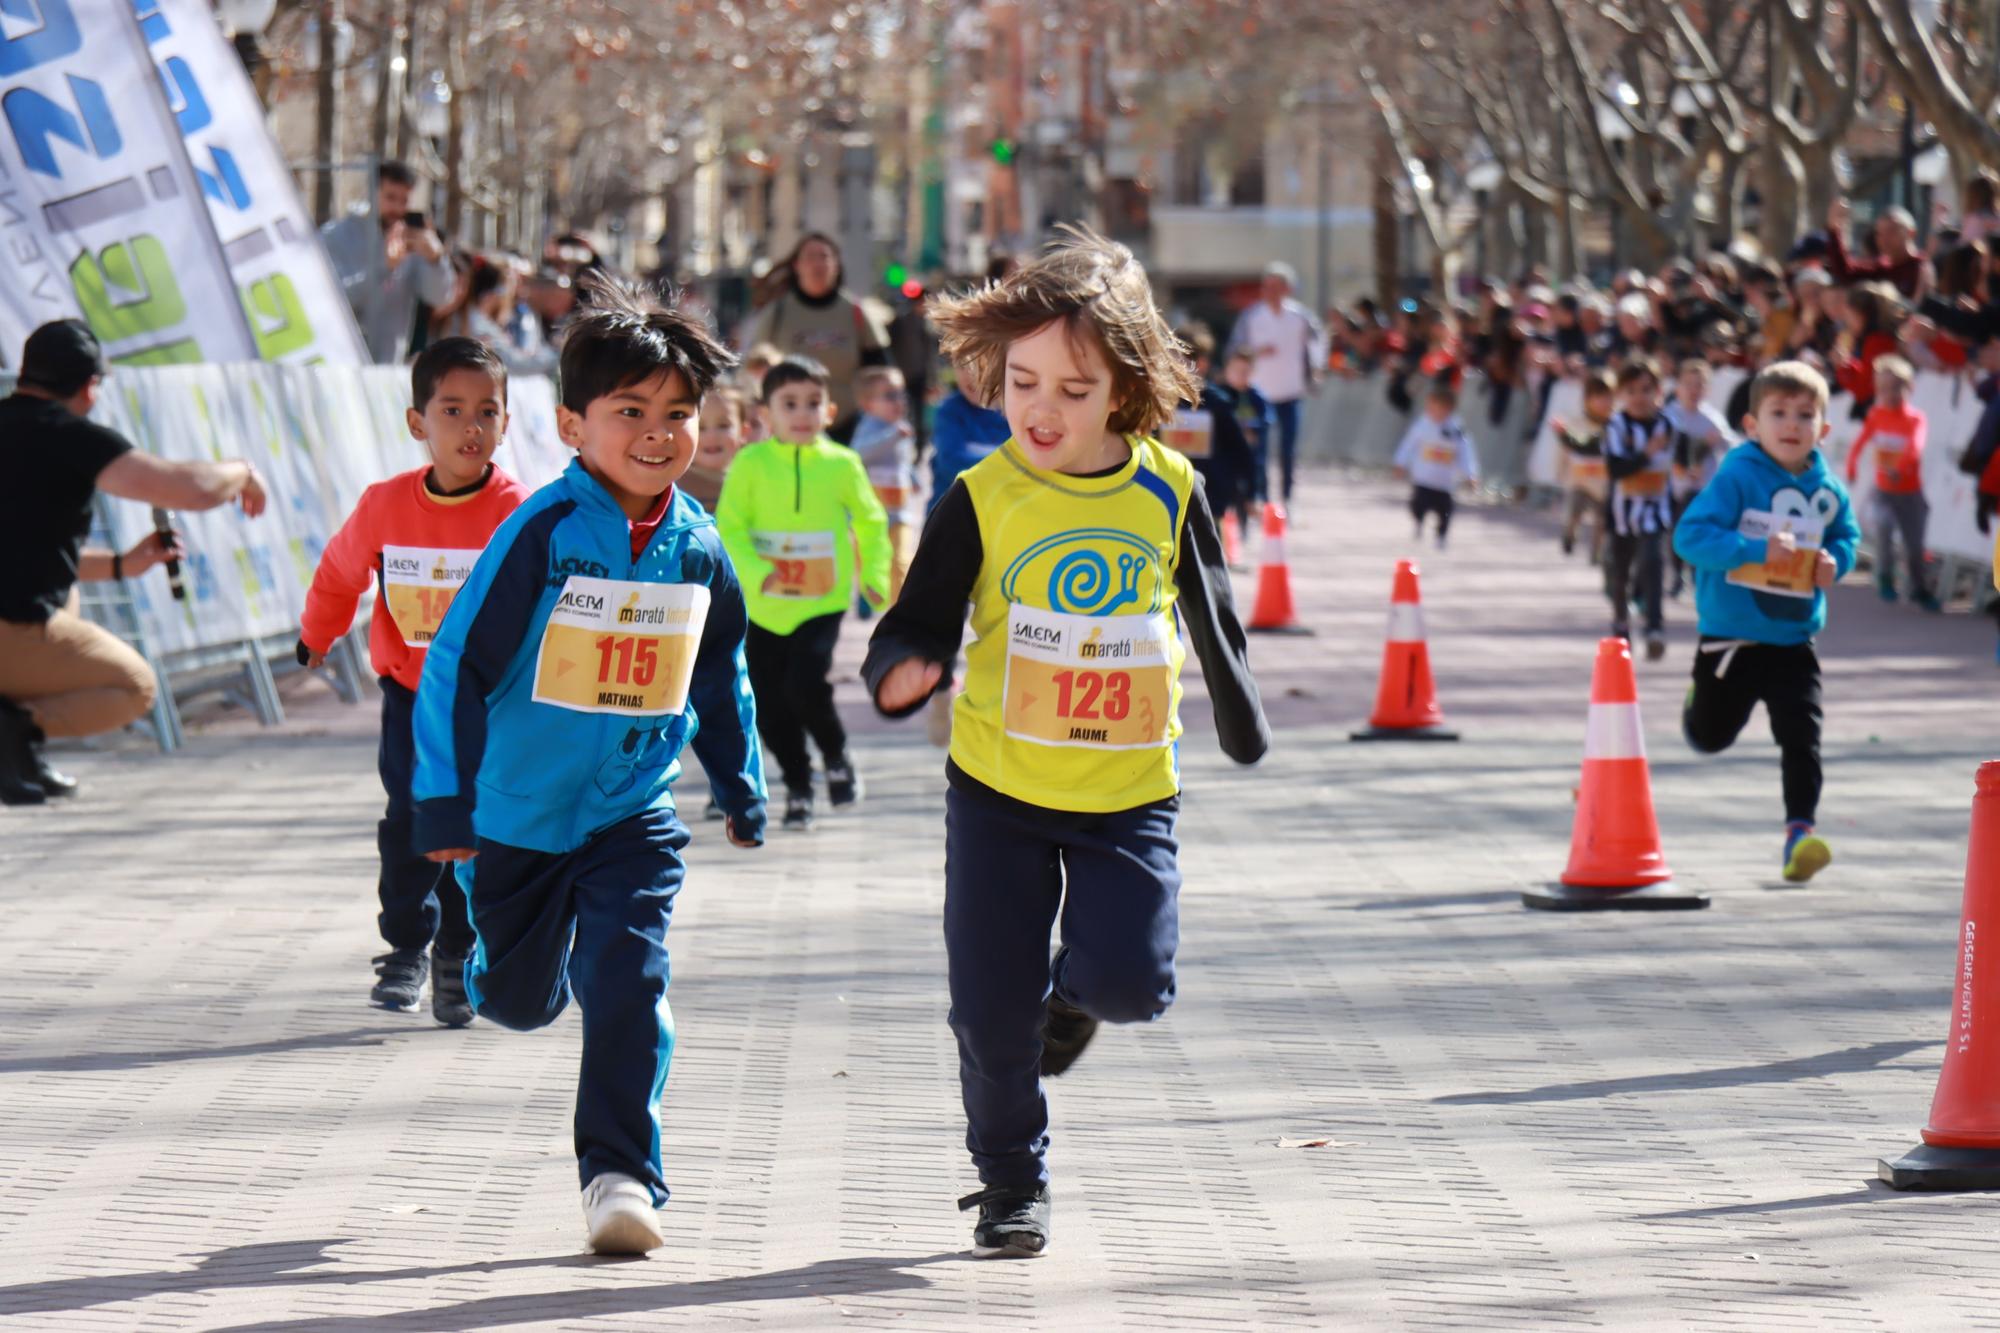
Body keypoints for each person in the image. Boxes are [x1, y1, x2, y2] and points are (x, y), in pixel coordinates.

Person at [861, 227, 1270, 1259]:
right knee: (985, 1010)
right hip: (996, 787)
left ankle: (1072, 998)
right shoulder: (983, 495)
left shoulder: (1166, 490)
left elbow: (1211, 613)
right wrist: (899, 671)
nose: (1040, 409)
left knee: (1132, 980)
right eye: (1021, 381)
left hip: (1128, 791)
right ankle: (1011, 1183)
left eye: (1072, 389)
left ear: (1123, 393)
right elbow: (913, 619)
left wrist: (1239, 713)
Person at [409, 278, 764, 1255]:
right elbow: (455, 666)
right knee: (520, 1002)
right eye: (629, 413)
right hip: (513, 817)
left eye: (677, 415)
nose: (657, 435)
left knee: (627, 975)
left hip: (630, 809)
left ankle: (620, 1175)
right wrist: (442, 802)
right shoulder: (541, 534)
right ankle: (488, 962)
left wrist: (737, 781)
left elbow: (719, 663)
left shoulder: (695, 543)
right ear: (572, 423)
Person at [295, 337, 532, 1024]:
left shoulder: (520, 511)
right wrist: (317, 634)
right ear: (417, 423)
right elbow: (340, 573)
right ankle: (407, 945)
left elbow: (552, 597)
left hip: (491, 702)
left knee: (474, 826)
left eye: (487, 412)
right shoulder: (386, 506)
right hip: (413, 695)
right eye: (452, 410)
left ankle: (458, 952)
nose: (471, 428)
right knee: (410, 819)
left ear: (507, 425)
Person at [0, 320, 267, 804]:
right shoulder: (67, 435)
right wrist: (243, 472)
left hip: (14, 613)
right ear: (89, 386)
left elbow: (30, 555)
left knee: (69, 595)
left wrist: (125, 563)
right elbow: (192, 490)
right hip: (13, 628)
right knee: (134, 688)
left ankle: (19, 754)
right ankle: (13, 734)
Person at [1673, 360, 1859, 884]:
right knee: (1711, 737)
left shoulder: (1828, 489)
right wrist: (1752, 549)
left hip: (1794, 638)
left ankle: (1799, 834)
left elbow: (1846, 536)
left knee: (1803, 737)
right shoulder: (1737, 475)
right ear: (1753, 424)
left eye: (1805, 415)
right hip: (1732, 636)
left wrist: (1835, 563)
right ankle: (1696, 707)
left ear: (1823, 429)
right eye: (1778, 413)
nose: (1792, 425)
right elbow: (1689, 538)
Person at [713, 356, 890, 831]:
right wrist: (754, 572)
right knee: (769, 705)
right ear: (765, 416)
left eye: (813, 403)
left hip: (821, 601)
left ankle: (835, 755)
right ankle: (797, 785)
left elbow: (871, 520)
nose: (802, 414)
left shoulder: (842, 464)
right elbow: (730, 525)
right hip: (765, 606)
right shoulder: (749, 463)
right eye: (789, 404)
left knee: (807, 685)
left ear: (830, 411)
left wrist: (874, 574)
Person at [742, 233, 892, 440]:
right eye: (810, 257)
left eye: (824, 256)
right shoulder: (778, 312)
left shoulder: (855, 311)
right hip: (790, 429)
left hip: (850, 429)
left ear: (836, 265)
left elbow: (882, 371)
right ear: (797, 265)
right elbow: (752, 368)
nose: (818, 264)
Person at [321, 160, 456, 365]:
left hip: (388, 368)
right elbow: (334, 300)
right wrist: (385, 268)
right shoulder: (336, 236)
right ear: (372, 193)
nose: (397, 208)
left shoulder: (411, 241)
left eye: (404, 200)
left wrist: (436, 260)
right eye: (390, 197)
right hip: (340, 363)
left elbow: (441, 298)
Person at [1225, 260, 1325, 503]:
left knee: (1288, 450)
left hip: (1291, 392)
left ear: (1287, 288)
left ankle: (1287, 497)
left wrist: (1316, 372)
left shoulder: (1301, 317)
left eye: (1276, 286)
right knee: (1260, 450)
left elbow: (1317, 345)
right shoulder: (1251, 317)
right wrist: (1256, 353)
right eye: (1266, 286)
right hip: (1260, 393)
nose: (1270, 292)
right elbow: (1235, 350)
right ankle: (1263, 497)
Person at [1843, 355, 1936, 609]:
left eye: (1896, 388)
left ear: (1910, 388)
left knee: (1914, 547)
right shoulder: (1876, 415)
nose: (1890, 394)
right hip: (1883, 491)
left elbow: (1915, 447)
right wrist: (1851, 465)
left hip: (1910, 494)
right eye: (1883, 389)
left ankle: (1920, 589)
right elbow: (1860, 442)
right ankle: (1885, 575)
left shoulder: (1915, 419)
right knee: (1882, 526)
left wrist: (1901, 468)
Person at [1602, 357, 1676, 660]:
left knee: (1653, 562)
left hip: (1655, 509)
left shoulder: (1667, 424)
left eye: (1646, 389)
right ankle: (1621, 624)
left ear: (1657, 391)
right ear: (1621, 394)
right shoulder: (1616, 425)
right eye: (1631, 390)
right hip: (1622, 511)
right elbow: (1616, 468)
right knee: (1621, 572)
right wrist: (1646, 454)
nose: (1639, 397)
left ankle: (1655, 627)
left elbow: (1681, 457)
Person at [1168, 324, 1259, 531]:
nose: (1172, 365)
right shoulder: (1159, 403)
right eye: (1169, 357)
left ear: (1201, 364)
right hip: (1169, 497)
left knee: (1208, 555)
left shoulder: (1217, 404)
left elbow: (1241, 450)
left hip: (1209, 499)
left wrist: (1251, 493)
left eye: (1179, 359)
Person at [1662, 357, 1732, 598]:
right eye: (1689, 384)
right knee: (1675, 529)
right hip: (1673, 484)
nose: (1694, 390)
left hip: (1702, 487)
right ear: (1677, 387)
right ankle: (1678, 573)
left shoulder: (1712, 418)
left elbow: (1731, 446)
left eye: (1700, 385)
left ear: (1707, 390)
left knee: (1695, 527)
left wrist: (1717, 440)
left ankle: (1694, 572)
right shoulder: (1669, 416)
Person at [849, 366, 920, 603]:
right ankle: (869, 596)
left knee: (901, 562)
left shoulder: (900, 429)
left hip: (898, 513)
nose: (899, 401)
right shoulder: (870, 428)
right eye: (890, 395)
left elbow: (903, 463)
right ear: (868, 404)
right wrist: (892, 437)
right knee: (869, 562)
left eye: (901, 394)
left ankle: (900, 611)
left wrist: (913, 478)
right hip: (871, 516)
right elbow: (859, 454)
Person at [1392, 384, 1480, 549]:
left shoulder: (1457, 430)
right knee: (1418, 505)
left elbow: (1466, 453)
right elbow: (1408, 445)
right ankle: (1418, 522)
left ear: (1449, 409)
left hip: (1444, 482)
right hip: (1424, 478)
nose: (1434, 413)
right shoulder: (1422, 426)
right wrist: (1400, 462)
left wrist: (1471, 474)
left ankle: (1441, 535)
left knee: (1446, 511)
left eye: (1439, 409)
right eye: (1431, 408)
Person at [1551, 369, 1616, 561]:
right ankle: (1570, 533)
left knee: (1602, 520)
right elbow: (1565, 449)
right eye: (1598, 397)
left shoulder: (1615, 426)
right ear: (1587, 399)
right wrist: (1560, 473)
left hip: (1603, 484)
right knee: (1574, 509)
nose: (1604, 403)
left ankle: (1596, 553)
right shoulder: (1577, 423)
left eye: (1608, 397)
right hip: (1579, 481)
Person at [1210, 345, 1275, 530]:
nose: (1240, 375)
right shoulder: (1219, 395)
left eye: (1245, 372)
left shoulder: (1256, 397)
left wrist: (1251, 430)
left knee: (1250, 489)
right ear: (1226, 370)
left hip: (1250, 457)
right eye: (1236, 371)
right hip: (1225, 457)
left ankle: (1248, 518)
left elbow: (1266, 420)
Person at [1826, 198, 1931, 301]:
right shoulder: (1882, 268)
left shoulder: (1921, 268)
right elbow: (1846, 272)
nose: (1884, 239)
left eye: (1891, 231)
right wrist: (1835, 229)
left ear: (1911, 233)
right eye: (1879, 233)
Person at [682, 384, 749, 512]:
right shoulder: (673, 486)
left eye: (723, 426)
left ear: (744, 431)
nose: (711, 436)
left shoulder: (754, 478)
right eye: (700, 427)